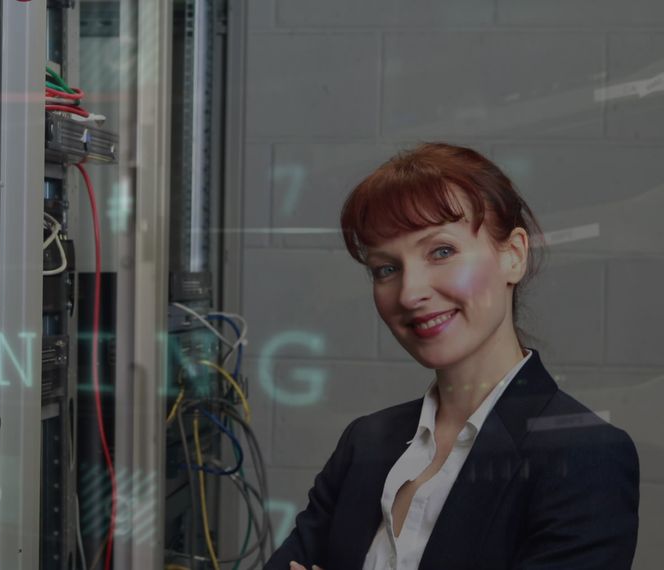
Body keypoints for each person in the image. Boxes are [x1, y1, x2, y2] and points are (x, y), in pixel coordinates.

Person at [264, 143, 639, 570]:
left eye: (441, 251)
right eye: (386, 268)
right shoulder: (364, 442)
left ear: (513, 255)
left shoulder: (586, 457)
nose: (410, 293)